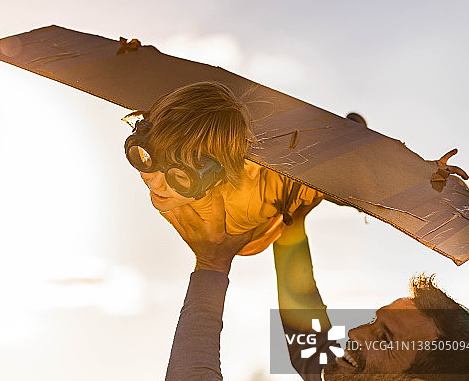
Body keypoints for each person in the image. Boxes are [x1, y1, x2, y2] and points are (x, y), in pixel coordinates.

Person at [159, 195, 469, 381]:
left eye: (384, 339)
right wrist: (291, 224)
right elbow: (310, 346)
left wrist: (212, 265)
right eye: (374, 322)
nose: (356, 333)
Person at [124, 81, 322, 255]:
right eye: (145, 158)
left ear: (215, 177)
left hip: (261, 221)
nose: (155, 184)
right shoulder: (172, 191)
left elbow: (327, 173)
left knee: (305, 205)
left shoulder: (247, 207)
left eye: (180, 177)